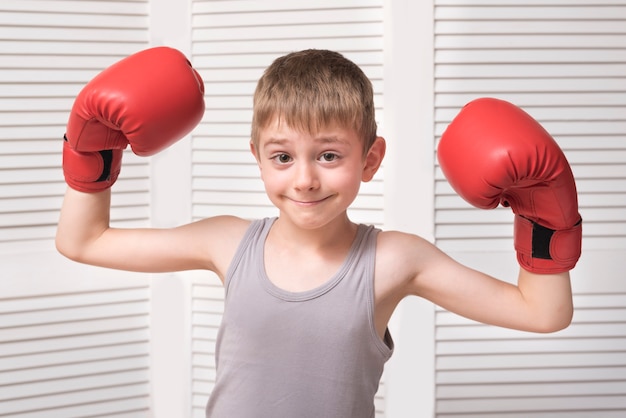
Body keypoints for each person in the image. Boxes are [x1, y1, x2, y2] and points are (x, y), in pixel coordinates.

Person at [56, 47, 582, 418]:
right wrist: (93, 151)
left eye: (329, 155)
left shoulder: (395, 259)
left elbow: (543, 312)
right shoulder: (227, 242)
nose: (305, 179)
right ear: (257, 158)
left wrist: (541, 218)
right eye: (282, 157)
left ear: (370, 159)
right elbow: (83, 241)